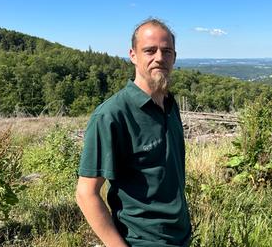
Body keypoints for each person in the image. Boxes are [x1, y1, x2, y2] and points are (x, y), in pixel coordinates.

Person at [76, 18, 191, 247]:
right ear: (133, 55)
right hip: (140, 241)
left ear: (174, 57)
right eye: (150, 50)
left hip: (180, 237)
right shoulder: (112, 115)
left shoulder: (169, 104)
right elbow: (85, 193)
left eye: (167, 51)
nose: (160, 57)